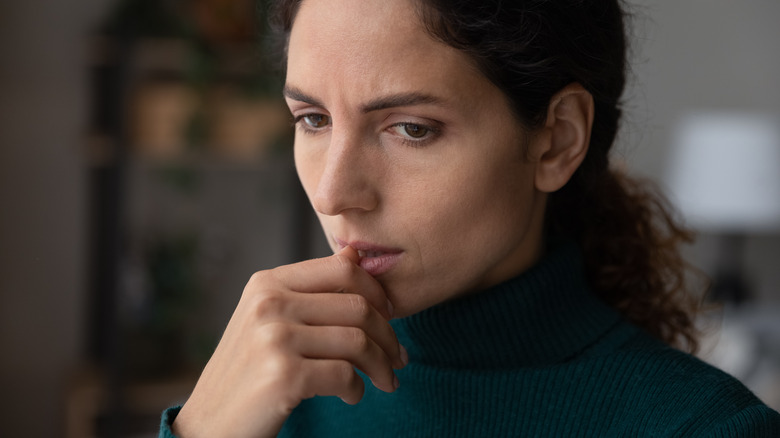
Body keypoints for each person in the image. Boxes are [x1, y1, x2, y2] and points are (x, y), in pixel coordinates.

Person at [160, 0, 780, 436]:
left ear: (557, 139)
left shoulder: (704, 428)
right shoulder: (275, 403)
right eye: (313, 120)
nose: (333, 192)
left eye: (411, 128)